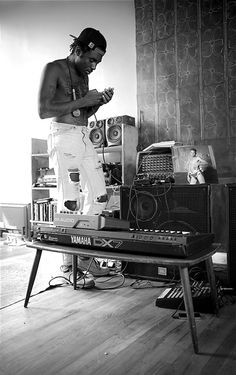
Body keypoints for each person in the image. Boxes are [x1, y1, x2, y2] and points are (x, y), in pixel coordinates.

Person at [38, 27, 114, 278]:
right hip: (62, 136)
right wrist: (83, 101)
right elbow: (44, 109)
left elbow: (80, 115)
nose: (94, 66)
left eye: (98, 62)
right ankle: (68, 265)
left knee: (100, 196)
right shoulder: (54, 68)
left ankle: (83, 256)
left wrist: (97, 103)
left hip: (83, 136)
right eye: (91, 59)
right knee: (70, 201)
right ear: (78, 50)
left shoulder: (84, 77)